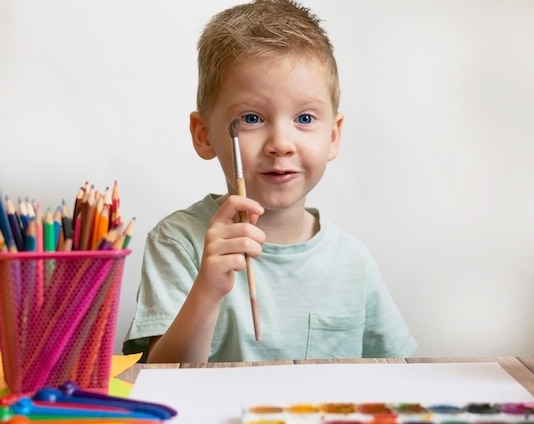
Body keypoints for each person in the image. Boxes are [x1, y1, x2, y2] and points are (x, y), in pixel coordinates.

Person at [122, 0, 417, 363]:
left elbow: (400, 373)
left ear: (334, 136)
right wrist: (207, 290)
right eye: (251, 118)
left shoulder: (353, 262)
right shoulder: (179, 243)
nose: (280, 143)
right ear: (203, 135)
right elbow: (161, 378)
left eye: (305, 118)